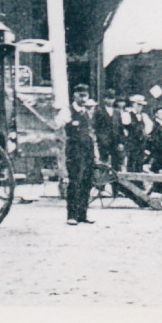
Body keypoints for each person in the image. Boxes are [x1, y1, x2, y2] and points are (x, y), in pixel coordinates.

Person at [64, 84, 97, 225]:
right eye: (80, 95)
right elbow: (60, 132)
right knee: (75, 182)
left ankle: (82, 214)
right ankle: (72, 215)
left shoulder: (86, 112)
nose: (83, 98)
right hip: (74, 152)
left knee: (87, 182)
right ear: (74, 96)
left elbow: (91, 133)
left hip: (88, 151)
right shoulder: (67, 112)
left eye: (85, 95)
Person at [93, 90, 123, 172]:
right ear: (104, 99)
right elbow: (96, 127)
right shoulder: (99, 111)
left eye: (112, 98)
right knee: (103, 163)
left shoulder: (117, 112)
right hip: (103, 142)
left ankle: (115, 183)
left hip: (115, 142)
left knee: (116, 164)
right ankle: (102, 183)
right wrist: (101, 138)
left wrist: (121, 142)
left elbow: (120, 128)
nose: (110, 100)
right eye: (108, 98)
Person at [124, 95, 148, 173]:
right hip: (132, 144)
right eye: (139, 105)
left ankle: (139, 183)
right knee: (132, 164)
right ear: (134, 104)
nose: (141, 107)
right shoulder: (127, 115)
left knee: (139, 163)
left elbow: (147, 128)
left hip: (140, 145)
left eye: (141, 105)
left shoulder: (142, 116)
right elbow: (125, 129)